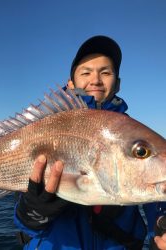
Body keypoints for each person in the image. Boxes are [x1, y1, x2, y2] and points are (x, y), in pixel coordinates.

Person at [14, 35, 166, 250]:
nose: (95, 79)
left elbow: (158, 192)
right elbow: (25, 220)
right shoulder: (44, 127)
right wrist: (31, 212)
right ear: (70, 83)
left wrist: (161, 223)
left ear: (118, 83)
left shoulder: (130, 131)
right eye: (86, 72)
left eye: (105, 72)